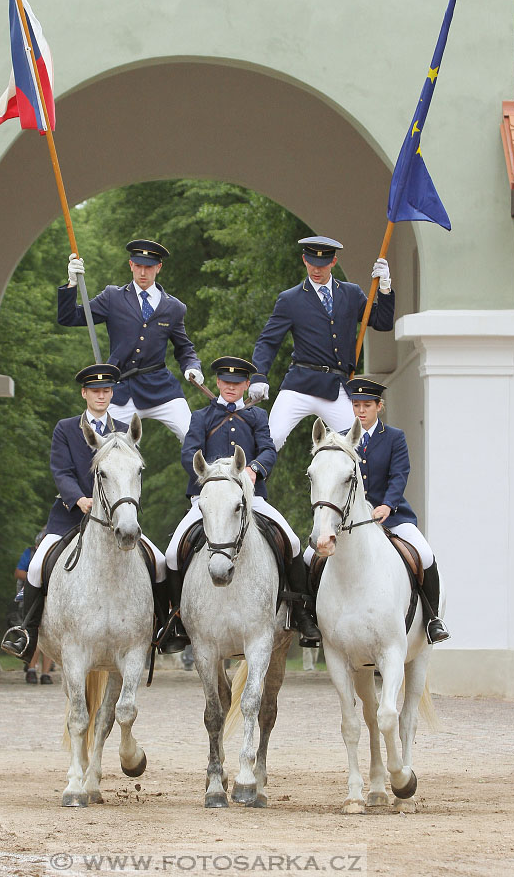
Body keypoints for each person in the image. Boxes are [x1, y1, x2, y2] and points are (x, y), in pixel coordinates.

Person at [1, 363, 174, 662]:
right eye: (95, 391)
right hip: (70, 516)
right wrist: (78, 498)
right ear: (84, 393)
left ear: (112, 393)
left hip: (117, 518)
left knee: (159, 562)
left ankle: (165, 629)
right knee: (36, 566)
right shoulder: (66, 428)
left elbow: (130, 474)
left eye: (106, 391)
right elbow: (61, 470)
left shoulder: (124, 432)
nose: (101, 396)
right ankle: (27, 633)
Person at [165, 356, 320, 648]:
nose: (231, 387)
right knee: (172, 554)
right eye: (226, 382)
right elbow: (189, 454)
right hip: (208, 500)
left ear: (247, 385)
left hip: (251, 498)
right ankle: (175, 618)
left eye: (238, 383)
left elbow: (268, 451)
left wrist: (255, 469)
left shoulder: (258, 416)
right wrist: (210, 476)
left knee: (294, 542)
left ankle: (301, 613)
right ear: (217, 383)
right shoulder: (201, 417)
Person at [303, 377, 449, 644]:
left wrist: (388, 504)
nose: (361, 410)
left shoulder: (394, 437)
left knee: (425, 556)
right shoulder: (340, 440)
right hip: (348, 522)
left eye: (367, 405)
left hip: (391, 516)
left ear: (379, 406)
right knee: (308, 557)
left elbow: (400, 474)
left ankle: (432, 619)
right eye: (356, 405)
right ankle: (310, 617)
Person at [249, 235, 395, 451]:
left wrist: (384, 288)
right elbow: (268, 341)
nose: (316, 270)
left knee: (361, 446)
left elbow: (382, 322)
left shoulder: (351, 293)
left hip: (336, 387)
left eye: (323, 265)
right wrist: (258, 376)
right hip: (300, 385)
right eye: (312, 264)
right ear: (304, 260)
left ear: (333, 262)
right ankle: (253, 482)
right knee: (271, 439)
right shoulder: (290, 299)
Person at [59, 239, 203, 442]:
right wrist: (71, 283)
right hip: (120, 389)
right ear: (131, 265)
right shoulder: (112, 297)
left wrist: (192, 366)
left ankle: (204, 475)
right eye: (138, 266)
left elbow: (184, 348)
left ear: (159, 267)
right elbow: (70, 317)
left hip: (160, 388)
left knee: (194, 438)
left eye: (149, 267)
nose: (143, 273)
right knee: (100, 446)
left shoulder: (174, 307)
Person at [14, 530, 54, 684]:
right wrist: (35, 579)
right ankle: (31, 669)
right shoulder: (30, 553)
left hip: (52, 597)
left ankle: (46, 673)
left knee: (50, 634)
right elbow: (18, 572)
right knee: (33, 631)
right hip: (34, 595)